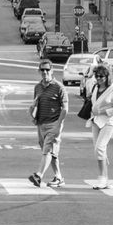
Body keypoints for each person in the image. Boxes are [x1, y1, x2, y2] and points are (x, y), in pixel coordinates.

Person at [28, 59, 68, 188]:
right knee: (51, 153)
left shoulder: (59, 87)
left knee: (48, 151)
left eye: (47, 69)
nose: (45, 72)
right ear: (39, 71)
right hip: (41, 124)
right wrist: (33, 116)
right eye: (42, 70)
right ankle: (59, 177)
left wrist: (58, 124)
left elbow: (65, 108)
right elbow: (36, 103)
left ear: (52, 71)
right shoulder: (38, 87)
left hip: (54, 123)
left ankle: (38, 176)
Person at [85, 64, 113, 189]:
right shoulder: (95, 87)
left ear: (108, 76)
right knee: (98, 149)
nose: (99, 78)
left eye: (102, 76)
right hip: (96, 120)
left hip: (109, 121)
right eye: (97, 76)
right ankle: (105, 179)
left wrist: (102, 112)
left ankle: (101, 179)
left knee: (100, 148)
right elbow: (94, 103)